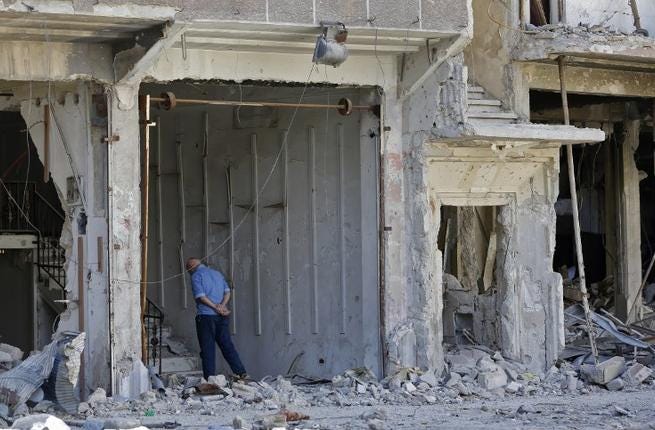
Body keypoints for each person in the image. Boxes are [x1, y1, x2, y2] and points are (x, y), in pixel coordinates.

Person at [186, 257, 247, 379]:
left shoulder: (196, 276)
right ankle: (241, 373)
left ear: (191, 267)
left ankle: (210, 379)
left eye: (188, 270)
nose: (189, 272)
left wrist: (215, 307)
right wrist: (222, 306)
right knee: (227, 345)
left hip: (206, 317)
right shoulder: (217, 273)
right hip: (222, 316)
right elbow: (227, 291)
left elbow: (201, 297)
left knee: (208, 349)